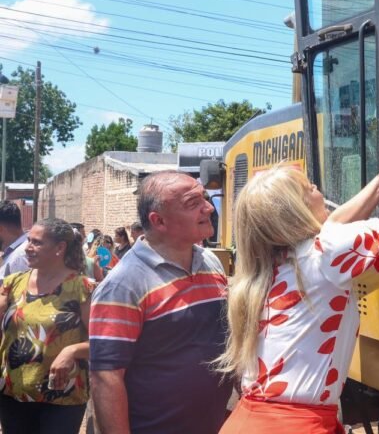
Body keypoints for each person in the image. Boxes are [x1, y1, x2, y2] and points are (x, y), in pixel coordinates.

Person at [216, 146, 379, 433]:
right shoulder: (327, 253)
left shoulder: (270, 265)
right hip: (296, 426)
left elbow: (333, 224)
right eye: (311, 188)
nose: (319, 191)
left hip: (249, 419)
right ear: (297, 210)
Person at [89, 171, 231, 434]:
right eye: (192, 203)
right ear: (159, 221)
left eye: (204, 198)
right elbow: (106, 377)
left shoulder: (210, 263)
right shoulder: (124, 284)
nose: (208, 208)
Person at [0, 218, 94, 434]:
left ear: (60, 248)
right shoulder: (13, 283)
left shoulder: (82, 289)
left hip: (61, 397)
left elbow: (104, 342)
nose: (28, 247)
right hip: (13, 393)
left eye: (37, 242)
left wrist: (72, 351)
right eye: (29, 240)